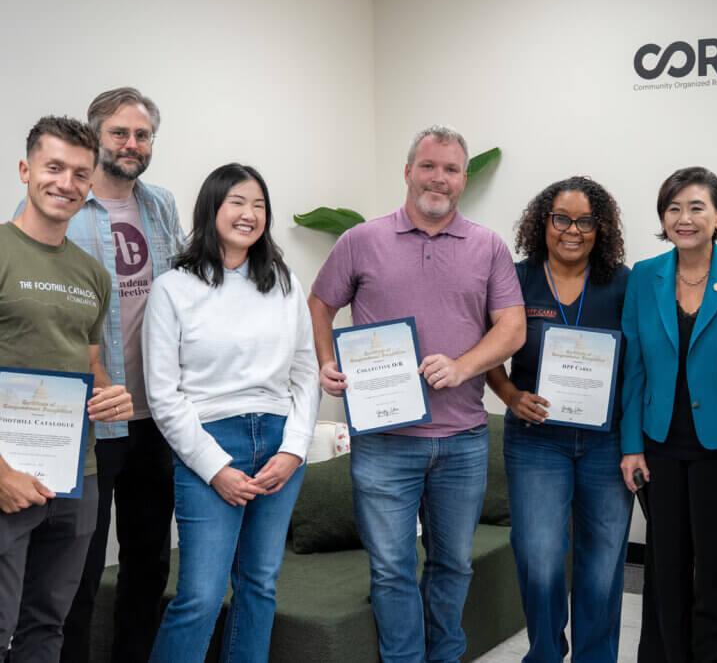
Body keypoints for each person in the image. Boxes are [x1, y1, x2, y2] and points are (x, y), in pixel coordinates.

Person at [308, 125, 525, 662]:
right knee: (391, 568)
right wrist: (326, 361)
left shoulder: (488, 246)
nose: (438, 178)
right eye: (428, 166)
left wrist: (463, 366)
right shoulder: (362, 240)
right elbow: (320, 303)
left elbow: (512, 327)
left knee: (453, 563)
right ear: (408, 172)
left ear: (463, 180)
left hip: (462, 440)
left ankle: (444, 655)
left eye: (451, 169)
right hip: (384, 440)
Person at [12, 87, 185, 663]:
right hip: (77, 429)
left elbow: (184, 290)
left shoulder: (160, 206)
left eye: (142, 135)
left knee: (146, 563)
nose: (132, 144)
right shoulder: (56, 213)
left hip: (151, 415)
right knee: (74, 576)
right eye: (120, 133)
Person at [142, 164, 318, 662]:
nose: (249, 214)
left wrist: (294, 450)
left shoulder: (283, 284)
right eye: (237, 202)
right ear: (211, 209)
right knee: (199, 596)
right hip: (209, 444)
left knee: (259, 585)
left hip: (279, 444)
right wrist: (215, 468)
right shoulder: (173, 288)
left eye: (259, 205)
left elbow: (306, 372)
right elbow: (163, 394)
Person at [619, 166, 717, 662]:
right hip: (660, 443)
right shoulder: (644, 276)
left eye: (696, 207)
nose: (684, 218)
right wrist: (630, 445)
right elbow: (633, 368)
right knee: (664, 566)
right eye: (673, 208)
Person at [1, 116, 133, 662]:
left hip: (79, 474)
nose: (66, 183)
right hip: (6, 475)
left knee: (47, 626)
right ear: (26, 169)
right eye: (54, 167)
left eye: (81, 173)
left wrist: (110, 394)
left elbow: (89, 364)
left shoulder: (93, 274)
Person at [485, 176, 632, 662]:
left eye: (585, 221)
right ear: (542, 223)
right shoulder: (516, 279)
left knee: (603, 561)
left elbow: (639, 361)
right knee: (539, 554)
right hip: (536, 440)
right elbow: (487, 349)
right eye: (562, 219)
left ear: (600, 227)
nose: (573, 230)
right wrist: (510, 395)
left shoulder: (622, 282)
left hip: (606, 441)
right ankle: (545, 652)